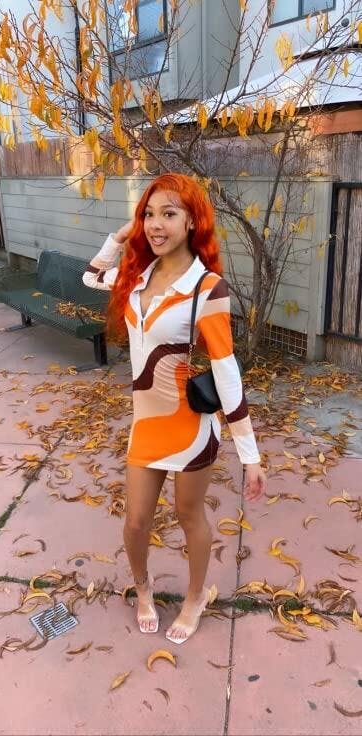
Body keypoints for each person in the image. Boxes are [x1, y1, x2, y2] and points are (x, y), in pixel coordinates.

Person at [83, 173, 266, 644]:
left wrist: (250, 454)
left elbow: (226, 371)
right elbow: (92, 276)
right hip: (146, 424)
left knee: (189, 518)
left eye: (169, 213)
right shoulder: (136, 277)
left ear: (192, 221)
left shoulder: (208, 287)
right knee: (135, 521)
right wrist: (120, 236)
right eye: (149, 214)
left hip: (190, 428)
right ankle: (143, 589)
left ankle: (194, 597)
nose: (155, 225)